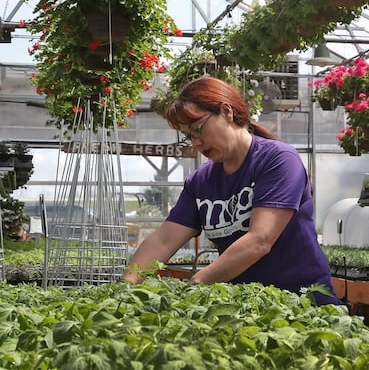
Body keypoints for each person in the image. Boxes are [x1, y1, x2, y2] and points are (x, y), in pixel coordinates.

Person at [122, 76, 340, 306]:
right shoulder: (200, 181)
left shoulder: (278, 161)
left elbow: (259, 240)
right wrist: (125, 288)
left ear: (226, 112)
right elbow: (163, 241)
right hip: (246, 307)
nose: (196, 143)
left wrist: (194, 287)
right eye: (189, 137)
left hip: (304, 306)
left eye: (198, 129)